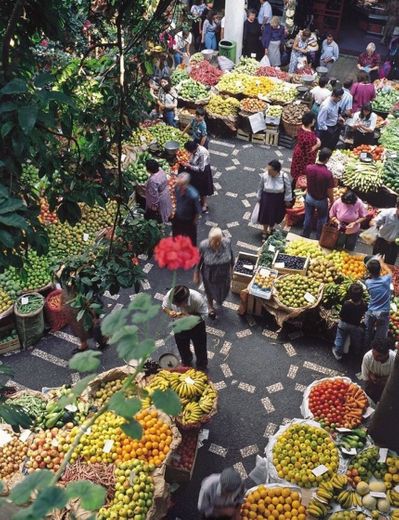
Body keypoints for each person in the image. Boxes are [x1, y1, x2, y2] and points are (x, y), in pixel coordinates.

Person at [162, 285, 208, 371]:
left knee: (200, 346)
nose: (177, 306)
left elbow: (204, 315)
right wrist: (169, 312)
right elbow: (164, 307)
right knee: (181, 345)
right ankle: (186, 361)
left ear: (185, 300)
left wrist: (189, 317)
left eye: (178, 304)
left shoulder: (197, 299)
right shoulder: (170, 295)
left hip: (196, 326)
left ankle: (202, 365)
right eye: (174, 304)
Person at [194, 227, 234, 319]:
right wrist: (196, 274)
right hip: (210, 275)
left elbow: (231, 256)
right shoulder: (204, 245)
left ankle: (219, 300)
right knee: (209, 291)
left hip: (224, 275)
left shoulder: (227, 243)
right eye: (214, 241)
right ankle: (210, 307)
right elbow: (198, 261)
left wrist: (232, 269)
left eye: (219, 241)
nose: (217, 244)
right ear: (209, 239)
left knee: (223, 292)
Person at [303, 148, 334, 239]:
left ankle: (305, 234)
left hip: (309, 197)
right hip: (321, 200)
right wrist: (332, 200)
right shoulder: (328, 174)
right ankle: (319, 237)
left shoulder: (309, 168)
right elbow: (329, 190)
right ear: (327, 159)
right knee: (322, 218)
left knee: (308, 216)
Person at [257, 160, 292, 239]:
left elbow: (288, 188)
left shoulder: (284, 176)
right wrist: (259, 197)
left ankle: (271, 228)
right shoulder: (265, 175)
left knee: (275, 215)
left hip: (278, 199)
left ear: (276, 171)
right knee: (265, 215)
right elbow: (260, 187)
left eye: (270, 170)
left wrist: (287, 199)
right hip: (267, 198)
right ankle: (265, 230)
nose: (268, 172)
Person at [332, 283, 368, 361]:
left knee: (340, 338)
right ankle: (356, 352)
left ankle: (338, 353)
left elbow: (341, 315)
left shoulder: (346, 304)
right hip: (355, 326)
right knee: (356, 339)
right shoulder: (364, 304)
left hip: (344, 324)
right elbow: (364, 313)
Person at [364, 256, 392, 348]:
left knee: (367, 330)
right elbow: (390, 272)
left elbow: (368, 278)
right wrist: (382, 263)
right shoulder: (386, 280)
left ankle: (365, 347)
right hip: (383, 313)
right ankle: (376, 348)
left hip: (371, 311)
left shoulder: (368, 282)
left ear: (369, 271)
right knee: (381, 334)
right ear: (380, 269)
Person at [290, 112, 320, 188]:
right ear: (311, 122)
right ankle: (297, 189)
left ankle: (294, 185)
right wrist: (317, 145)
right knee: (302, 175)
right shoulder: (310, 136)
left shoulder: (301, 128)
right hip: (305, 158)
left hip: (298, 152)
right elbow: (310, 150)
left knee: (296, 172)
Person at [182, 141, 214, 212]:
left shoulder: (202, 153)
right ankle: (197, 201)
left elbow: (201, 169)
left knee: (203, 189)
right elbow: (192, 158)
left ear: (193, 149)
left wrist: (189, 166)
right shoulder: (194, 150)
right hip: (194, 169)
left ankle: (204, 204)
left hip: (202, 172)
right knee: (195, 187)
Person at [361, 338, 396, 403]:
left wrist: (383, 380)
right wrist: (370, 377)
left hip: (387, 386)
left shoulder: (394, 360)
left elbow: (395, 379)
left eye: (379, 356)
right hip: (371, 384)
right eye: (373, 354)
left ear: (387, 353)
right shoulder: (368, 357)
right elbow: (365, 377)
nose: (374, 358)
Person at [172, 172, 202, 245]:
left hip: (189, 219)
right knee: (176, 234)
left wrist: (195, 221)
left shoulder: (193, 195)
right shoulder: (177, 188)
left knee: (191, 238)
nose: (179, 186)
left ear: (186, 184)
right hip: (178, 216)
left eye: (181, 184)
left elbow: (198, 210)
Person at [144, 159, 172, 224]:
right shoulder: (161, 170)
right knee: (165, 209)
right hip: (165, 194)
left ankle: (159, 224)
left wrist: (154, 206)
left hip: (160, 198)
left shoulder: (153, 180)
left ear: (148, 170)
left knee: (158, 214)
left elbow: (154, 195)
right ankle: (165, 219)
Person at [372, 198, 399, 265]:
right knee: (375, 262)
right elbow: (374, 221)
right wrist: (374, 225)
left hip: (394, 244)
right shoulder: (387, 213)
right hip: (381, 240)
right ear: (397, 207)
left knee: (390, 264)